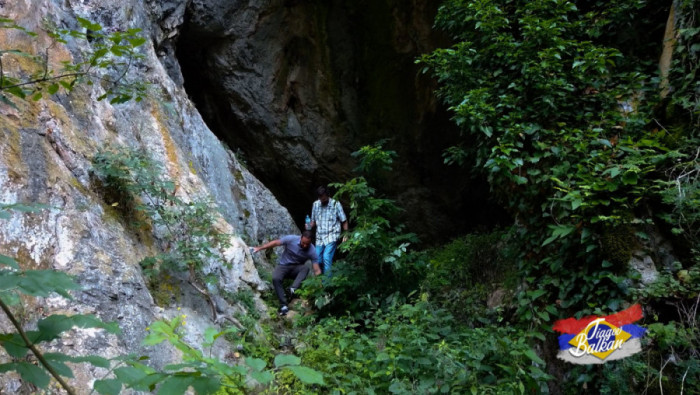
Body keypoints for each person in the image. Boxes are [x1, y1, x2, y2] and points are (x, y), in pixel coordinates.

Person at [252, 231, 319, 315]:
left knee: (305, 268)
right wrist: (259, 248)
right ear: (300, 238)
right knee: (276, 278)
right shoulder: (291, 239)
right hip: (284, 266)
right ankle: (283, 305)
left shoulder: (312, 250)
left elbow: (316, 269)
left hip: (296, 269)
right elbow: (276, 242)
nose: (305, 245)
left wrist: (319, 284)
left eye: (307, 244)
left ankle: (292, 289)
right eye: (303, 243)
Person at [309, 186, 348, 278]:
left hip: (332, 235)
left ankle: (327, 285)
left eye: (324, 198)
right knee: (317, 260)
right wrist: (309, 226)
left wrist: (346, 234)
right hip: (319, 237)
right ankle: (320, 282)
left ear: (328, 195)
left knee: (326, 257)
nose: (322, 200)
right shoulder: (315, 204)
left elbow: (344, 220)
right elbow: (313, 222)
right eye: (320, 198)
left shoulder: (336, 204)